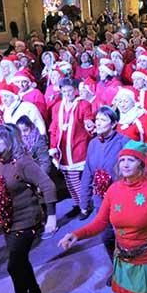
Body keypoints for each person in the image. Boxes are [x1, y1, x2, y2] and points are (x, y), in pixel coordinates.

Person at [58, 140, 147, 293]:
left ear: (140, 164)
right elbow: (100, 222)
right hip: (124, 257)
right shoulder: (113, 190)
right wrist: (76, 234)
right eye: (122, 160)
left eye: (131, 160)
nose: (125, 164)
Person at [0, 124, 57, 293]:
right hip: (8, 221)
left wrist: (51, 217)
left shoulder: (23, 163)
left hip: (26, 220)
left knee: (14, 266)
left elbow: (48, 185)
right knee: (21, 262)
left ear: (10, 140)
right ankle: (34, 292)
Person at [79, 106, 130, 285]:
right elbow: (88, 171)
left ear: (114, 123)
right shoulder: (93, 143)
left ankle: (133, 271)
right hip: (101, 200)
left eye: (102, 120)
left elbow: (138, 168)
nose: (98, 123)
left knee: (126, 237)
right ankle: (118, 268)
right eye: (97, 119)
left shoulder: (124, 141)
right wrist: (83, 199)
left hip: (122, 199)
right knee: (106, 237)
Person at [49, 78, 95, 219]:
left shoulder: (83, 104)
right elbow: (54, 128)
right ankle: (77, 204)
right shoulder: (57, 107)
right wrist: (52, 146)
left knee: (77, 179)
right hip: (62, 148)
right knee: (68, 180)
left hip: (77, 147)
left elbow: (88, 120)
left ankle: (84, 206)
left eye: (69, 91)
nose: (67, 94)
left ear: (75, 91)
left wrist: (89, 123)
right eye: (64, 91)